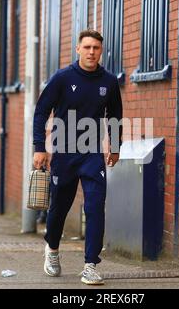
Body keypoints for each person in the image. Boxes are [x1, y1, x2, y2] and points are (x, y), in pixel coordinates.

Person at [33, 29, 123, 285]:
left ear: (101, 51)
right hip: (64, 153)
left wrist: (115, 146)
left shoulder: (109, 81)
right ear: (78, 49)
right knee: (60, 207)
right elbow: (41, 112)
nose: (91, 52)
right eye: (87, 47)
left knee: (95, 206)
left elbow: (115, 114)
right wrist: (40, 147)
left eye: (96, 48)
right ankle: (51, 250)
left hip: (92, 153)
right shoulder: (62, 78)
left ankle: (90, 265)